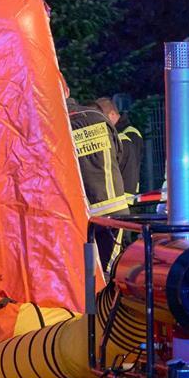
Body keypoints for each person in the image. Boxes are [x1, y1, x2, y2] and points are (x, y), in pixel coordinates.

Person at [67, 97, 127, 270]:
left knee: (86, 268)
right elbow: (119, 153)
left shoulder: (59, 123)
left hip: (83, 212)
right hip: (115, 207)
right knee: (110, 267)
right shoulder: (98, 116)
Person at [96, 96, 143, 205]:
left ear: (112, 114)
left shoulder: (130, 134)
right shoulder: (117, 134)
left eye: (102, 118)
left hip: (127, 196)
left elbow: (131, 167)